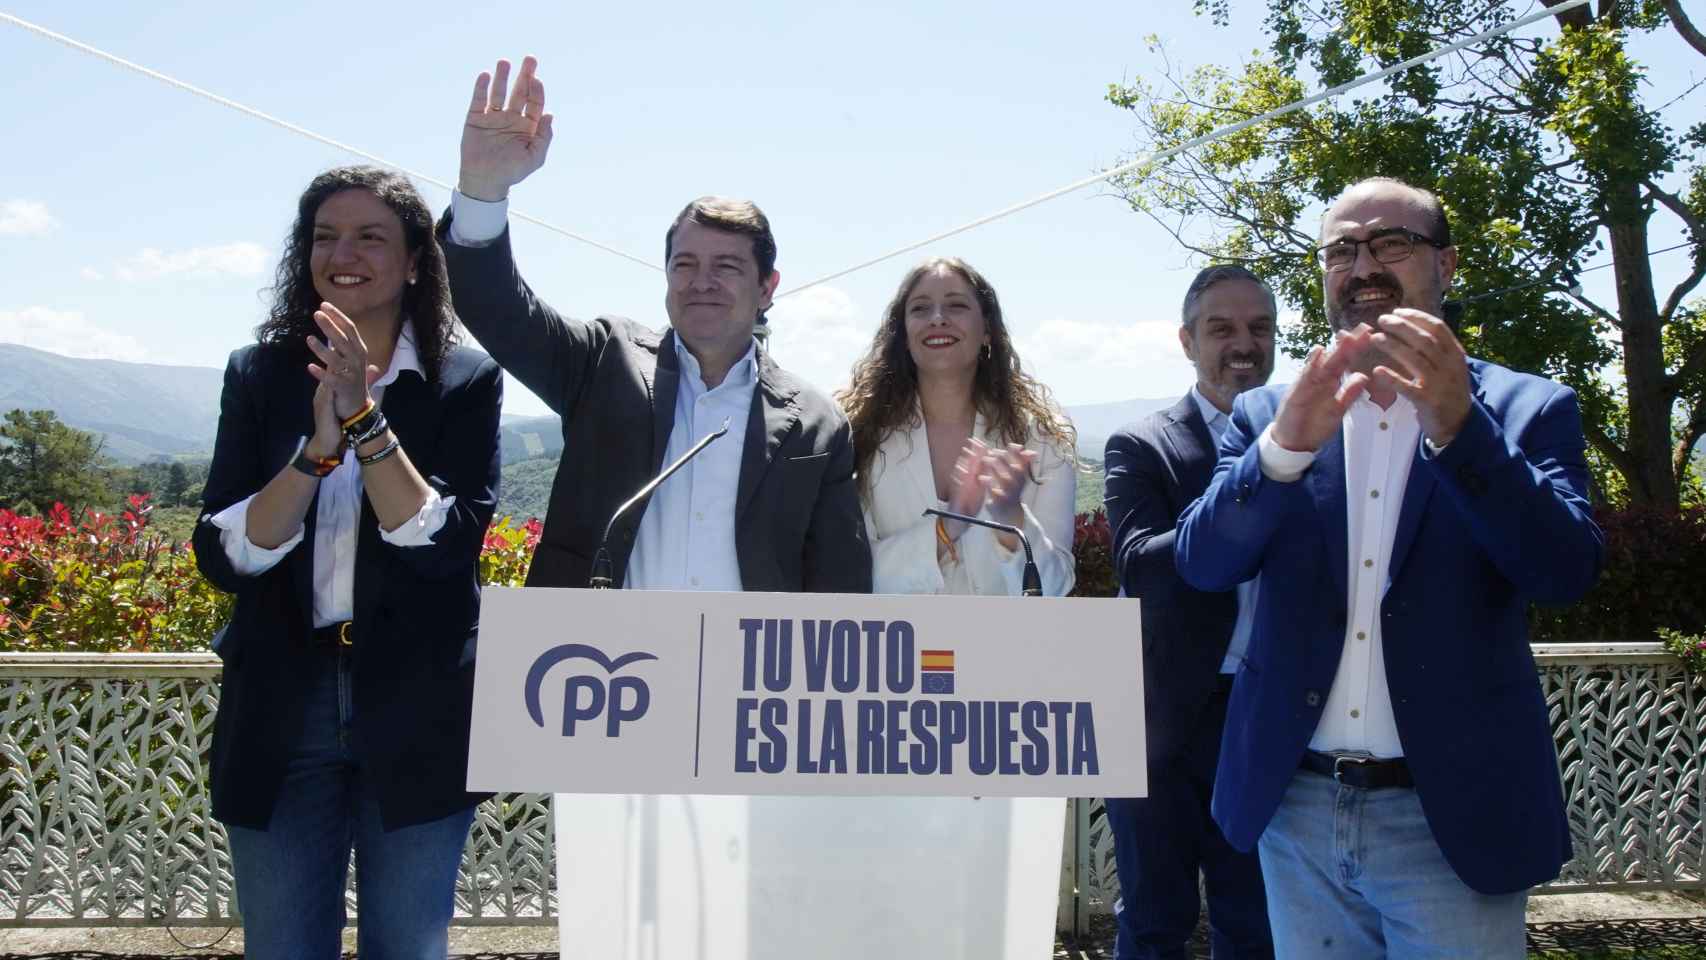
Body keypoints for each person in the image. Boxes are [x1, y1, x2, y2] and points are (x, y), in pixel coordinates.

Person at [1175, 176, 1602, 958]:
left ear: (1447, 265)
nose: (1363, 264)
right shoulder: (1269, 415)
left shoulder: (1527, 409)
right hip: (1295, 808)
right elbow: (1202, 564)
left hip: (1453, 817)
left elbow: (1563, 571)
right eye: (1342, 249)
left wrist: (1460, 429)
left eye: (1392, 244)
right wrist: (1282, 453)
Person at [193, 165, 503, 959]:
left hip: (420, 705)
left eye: (371, 236)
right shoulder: (258, 374)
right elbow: (227, 556)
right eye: (325, 236)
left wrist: (364, 421)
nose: (344, 253)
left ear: (412, 262)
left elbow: (442, 545)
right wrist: (315, 453)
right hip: (280, 703)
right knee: (284, 945)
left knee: (407, 944)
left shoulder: (462, 380)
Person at [438, 54, 870, 592]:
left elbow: (840, 584)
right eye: (684, 264)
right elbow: (495, 307)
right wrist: (482, 189)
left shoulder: (817, 422)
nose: (701, 281)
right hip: (599, 668)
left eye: (726, 267)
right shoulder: (602, 360)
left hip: (749, 673)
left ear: (767, 288)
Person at [1101, 264, 1277, 959]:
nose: (1243, 343)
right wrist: (1264, 474)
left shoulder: (1319, 437)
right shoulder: (1142, 443)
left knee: (1256, 921)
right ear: (1186, 340)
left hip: (1267, 715)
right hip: (1154, 723)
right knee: (1152, 920)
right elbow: (1140, 563)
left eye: (1259, 328)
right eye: (1222, 328)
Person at [842, 256, 1077, 597]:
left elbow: (1054, 588)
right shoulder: (859, 434)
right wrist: (946, 527)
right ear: (903, 335)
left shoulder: (1043, 435)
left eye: (956, 305)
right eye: (920, 309)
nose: (938, 319)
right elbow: (851, 575)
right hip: (898, 646)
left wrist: (1011, 519)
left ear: (987, 332)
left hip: (1006, 648)